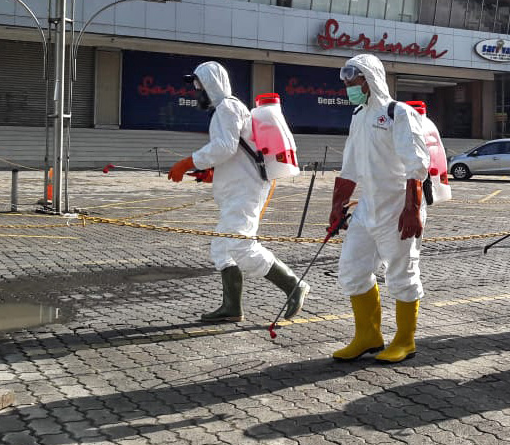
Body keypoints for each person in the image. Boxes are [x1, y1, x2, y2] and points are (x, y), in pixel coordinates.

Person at [168, 61, 309, 324]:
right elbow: (234, 153)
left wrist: (188, 163)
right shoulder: (226, 109)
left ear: (211, 85)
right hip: (236, 189)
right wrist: (210, 172)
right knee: (222, 247)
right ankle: (232, 308)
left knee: (241, 245)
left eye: (198, 86)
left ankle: (293, 285)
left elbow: (224, 147)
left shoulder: (227, 107)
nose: (196, 91)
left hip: (245, 191)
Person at [329, 54, 430, 363]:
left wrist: (411, 210)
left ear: (370, 79)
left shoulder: (398, 113)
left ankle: (404, 341)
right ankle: (368, 336)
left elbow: (417, 166)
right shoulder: (358, 115)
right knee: (352, 269)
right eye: (345, 80)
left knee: (401, 273)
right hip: (366, 210)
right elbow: (349, 169)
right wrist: (336, 209)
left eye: (353, 78)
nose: (347, 85)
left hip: (398, 208)